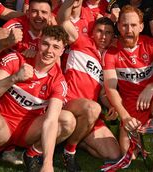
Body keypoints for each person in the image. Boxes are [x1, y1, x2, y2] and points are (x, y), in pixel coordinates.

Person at [103, 5, 153, 155]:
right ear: (118, 26)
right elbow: (110, 88)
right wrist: (124, 117)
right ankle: (144, 137)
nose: (129, 30)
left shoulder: (152, 44)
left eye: (133, 25)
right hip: (131, 107)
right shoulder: (110, 52)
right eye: (124, 25)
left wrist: (151, 87)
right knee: (127, 154)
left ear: (141, 26)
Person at [0, 25, 76, 172]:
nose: (49, 51)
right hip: (2, 125)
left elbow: (51, 121)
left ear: (62, 50)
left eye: (55, 47)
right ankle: (5, 148)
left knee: (67, 120)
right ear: (39, 42)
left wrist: (48, 163)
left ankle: (32, 154)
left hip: (27, 132)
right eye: (46, 44)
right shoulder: (15, 59)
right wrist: (14, 78)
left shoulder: (59, 82)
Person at [58, 0, 121, 171]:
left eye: (108, 33)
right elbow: (62, 21)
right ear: (92, 32)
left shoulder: (109, 58)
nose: (103, 36)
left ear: (113, 37)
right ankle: (69, 150)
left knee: (114, 154)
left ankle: (75, 139)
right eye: (99, 31)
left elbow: (102, 95)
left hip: (90, 112)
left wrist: (111, 106)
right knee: (93, 108)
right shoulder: (81, 42)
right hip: (68, 104)